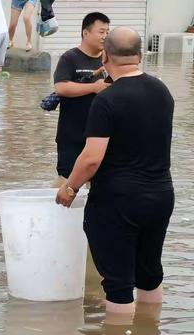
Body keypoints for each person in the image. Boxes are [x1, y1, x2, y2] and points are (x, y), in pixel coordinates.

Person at [56, 27, 175, 316]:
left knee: (119, 285)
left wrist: (69, 187)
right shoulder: (162, 91)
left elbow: (91, 159)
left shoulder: (107, 100)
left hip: (118, 201)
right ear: (141, 55)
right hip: (160, 196)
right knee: (149, 275)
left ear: (105, 56)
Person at [53, 12, 110, 182]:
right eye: (101, 32)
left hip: (101, 135)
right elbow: (61, 87)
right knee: (66, 180)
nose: (105, 36)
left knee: (101, 182)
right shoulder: (70, 58)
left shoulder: (109, 59)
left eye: (108, 32)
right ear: (86, 33)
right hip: (72, 134)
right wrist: (94, 87)